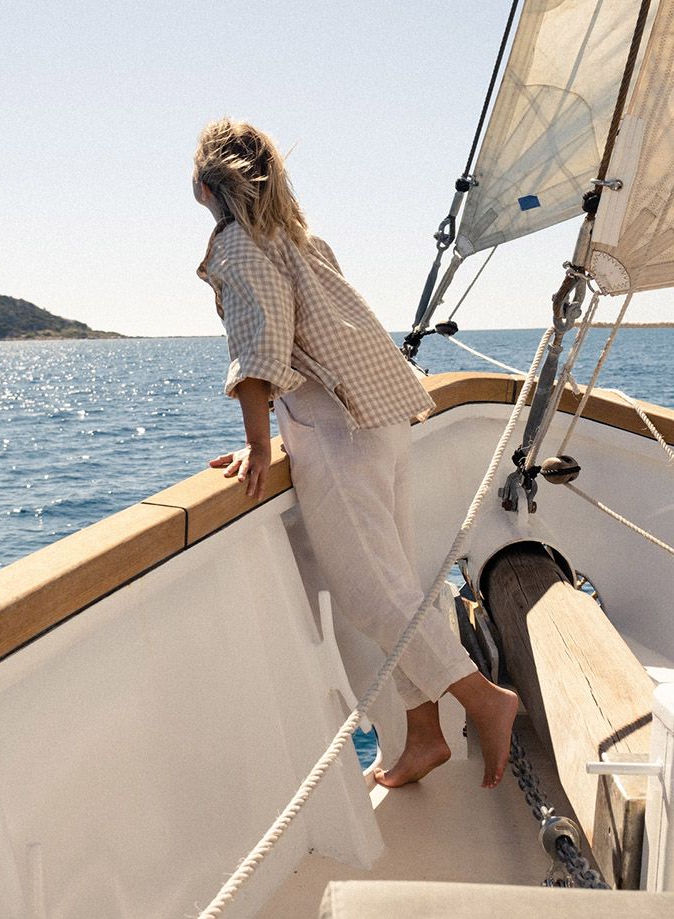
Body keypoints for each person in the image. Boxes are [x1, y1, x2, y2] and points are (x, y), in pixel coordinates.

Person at [193, 118, 517, 788]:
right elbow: (316, 339)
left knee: (372, 593)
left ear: (207, 182)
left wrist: (259, 445)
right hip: (383, 415)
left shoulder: (237, 246)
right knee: (398, 584)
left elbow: (260, 351)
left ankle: (484, 698)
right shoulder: (299, 237)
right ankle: (424, 734)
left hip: (337, 432)